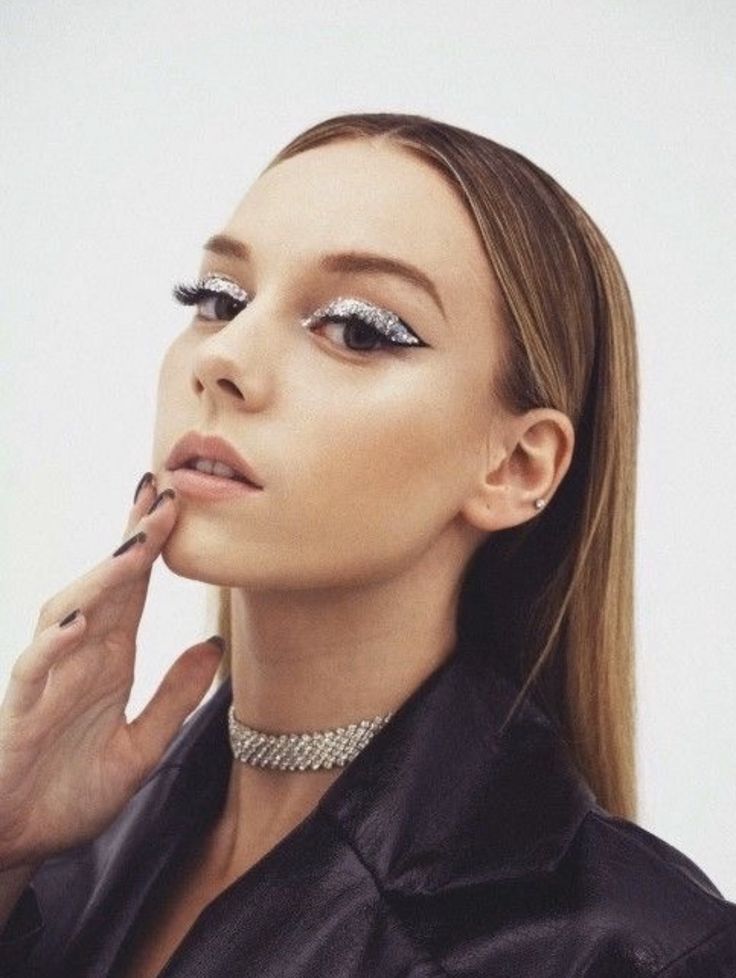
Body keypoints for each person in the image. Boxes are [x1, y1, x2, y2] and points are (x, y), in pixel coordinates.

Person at [1, 111, 734, 977]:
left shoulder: (632, 949)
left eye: (355, 329)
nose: (224, 356)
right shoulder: (55, 862)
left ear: (517, 466)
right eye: (215, 300)